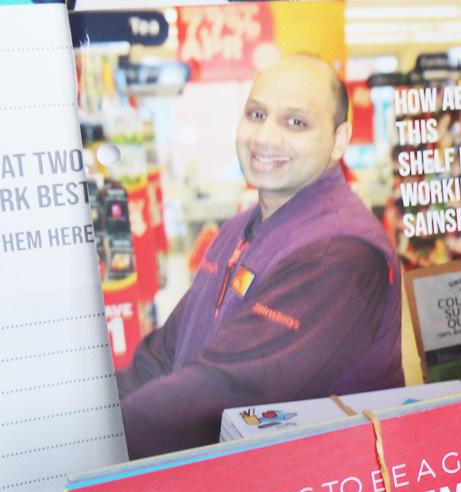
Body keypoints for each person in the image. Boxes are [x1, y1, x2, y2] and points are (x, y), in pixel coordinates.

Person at [117, 53, 402, 459]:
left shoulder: (340, 252)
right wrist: (88, 412)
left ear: (339, 140)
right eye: (256, 114)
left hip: (313, 486)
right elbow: (164, 355)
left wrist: (100, 441)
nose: (265, 137)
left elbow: (228, 393)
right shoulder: (239, 229)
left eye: (296, 122)